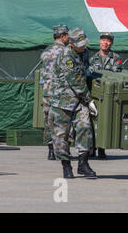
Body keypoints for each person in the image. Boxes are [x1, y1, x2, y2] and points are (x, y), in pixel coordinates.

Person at [48, 27, 98, 179]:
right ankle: (66, 165)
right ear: (71, 42)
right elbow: (75, 80)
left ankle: (83, 163)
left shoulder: (84, 52)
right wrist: (89, 100)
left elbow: (85, 72)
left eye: (84, 43)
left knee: (85, 127)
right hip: (62, 100)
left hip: (79, 100)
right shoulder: (65, 56)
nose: (83, 46)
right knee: (61, 135)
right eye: (79, 44)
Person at [88, 32, 122, 159]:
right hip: (95, 94)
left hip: (107, 95)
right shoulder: (93, 58)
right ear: (100, 41)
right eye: (103, 40)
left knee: (105, 121)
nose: (105, 43)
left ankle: (102, 148)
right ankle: (92, 148)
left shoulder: (116, 58)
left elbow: (116, 76)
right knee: (92, 121)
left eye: (108, 40)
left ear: (111, 43)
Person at [40, 25, 69, 160]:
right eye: (67, 35)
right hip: (61, 92)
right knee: (63, 120)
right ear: (63, 36)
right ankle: (62, 150)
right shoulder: (66, 51)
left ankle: (51, 149)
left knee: (48, 120)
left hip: (47, 91)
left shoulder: (46, 51)